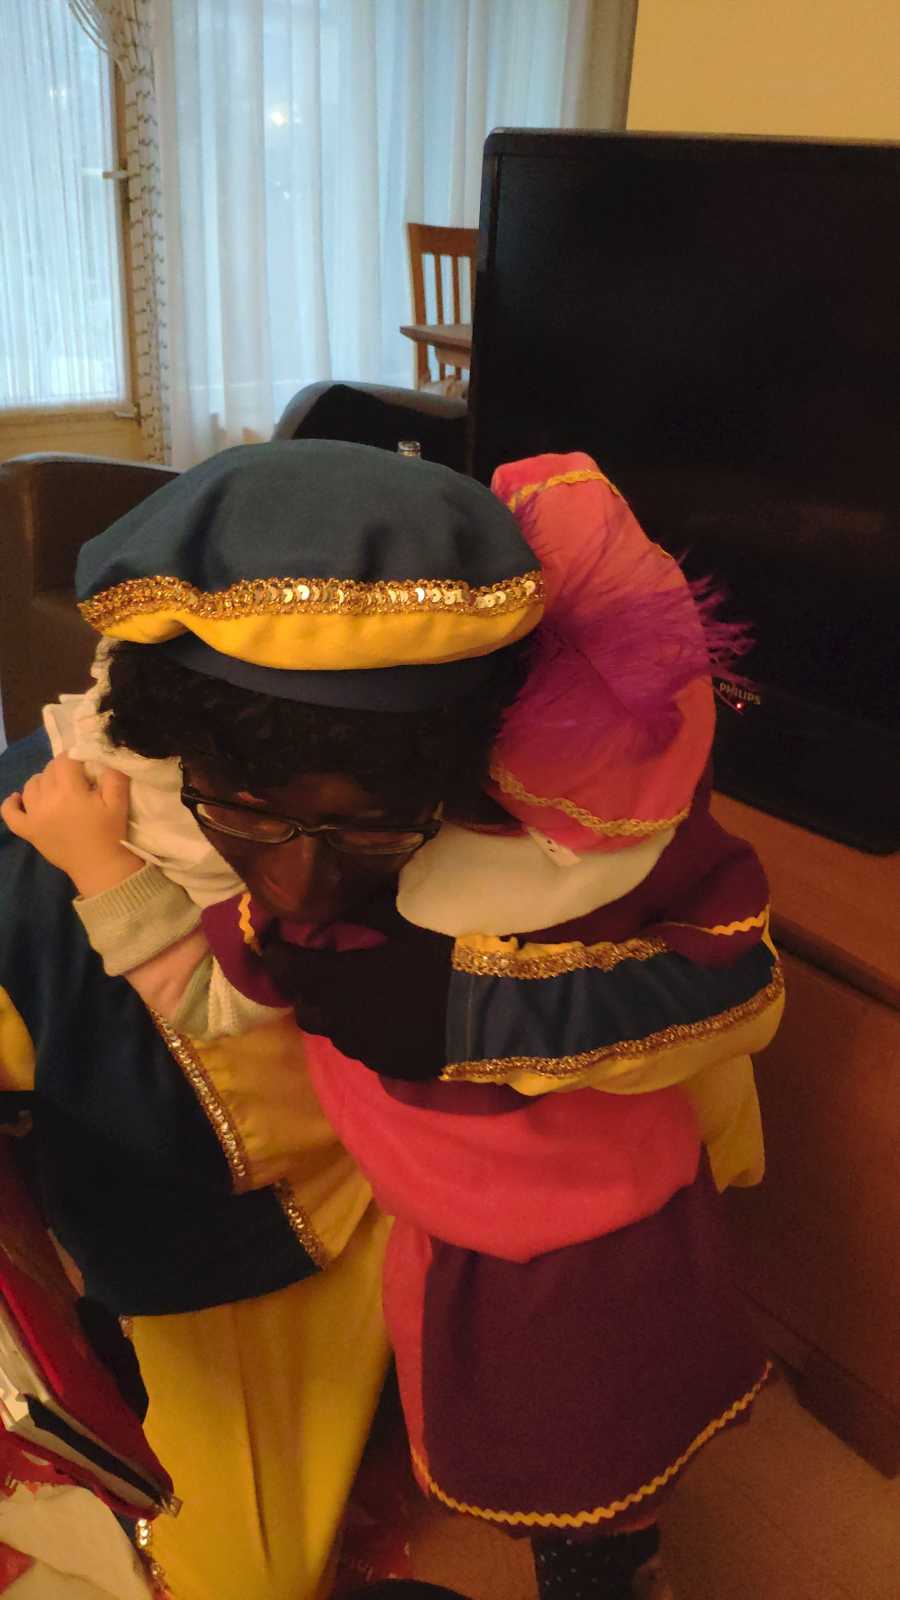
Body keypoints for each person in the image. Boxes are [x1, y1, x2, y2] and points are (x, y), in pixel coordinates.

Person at [2, 441, 784, 1600]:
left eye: (365, 825)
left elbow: (731, 978)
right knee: (481, 1428)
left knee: (593, 1463)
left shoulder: (575, 857)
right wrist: (105, 869)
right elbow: (219, 998)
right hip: (437, 1226)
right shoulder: (220, 862)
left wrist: (468, 1010)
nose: (302, 883)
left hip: (587, 1236)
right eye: (248, 813)